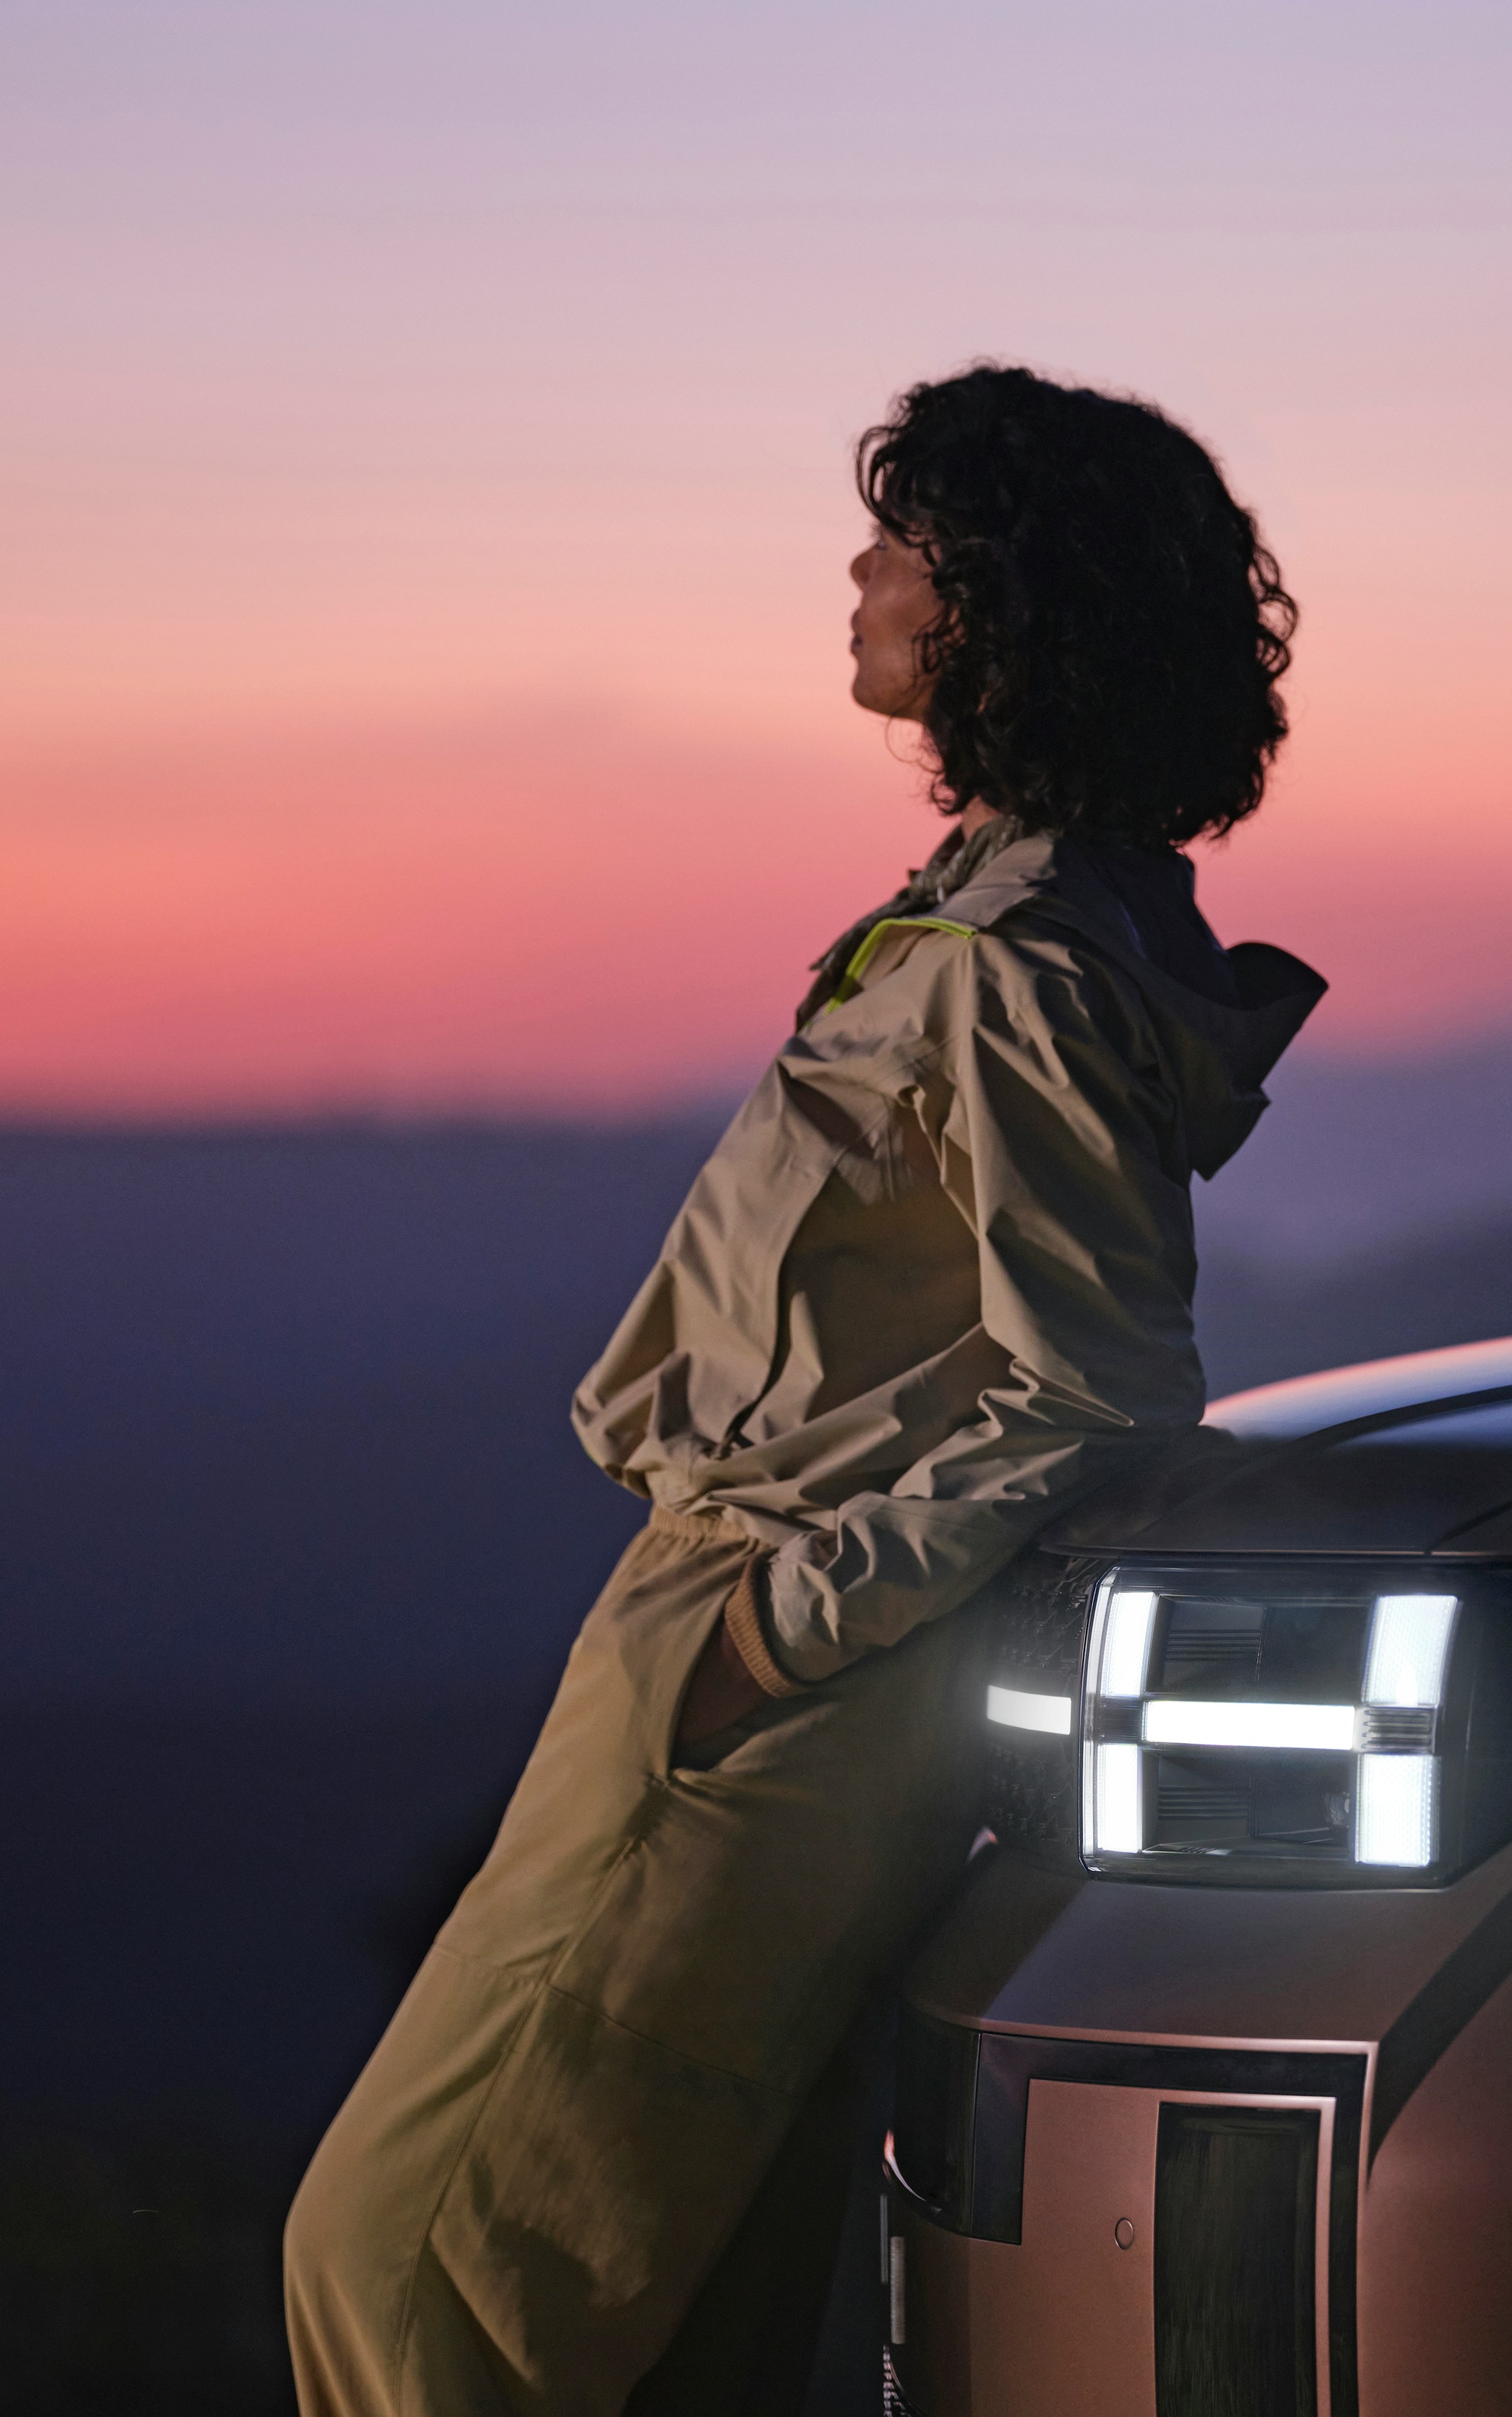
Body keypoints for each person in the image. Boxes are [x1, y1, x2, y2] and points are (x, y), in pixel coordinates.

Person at [286, 365, 1324, 2416]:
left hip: (770, 1678)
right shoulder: (1010, 910)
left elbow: (1097, 1394)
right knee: (660, 2299)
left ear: (1007, 608)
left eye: (911, 544)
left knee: (426, 2291)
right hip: (734, 1658)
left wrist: (774, 1632)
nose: (863, 569)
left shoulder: (1020, 959)